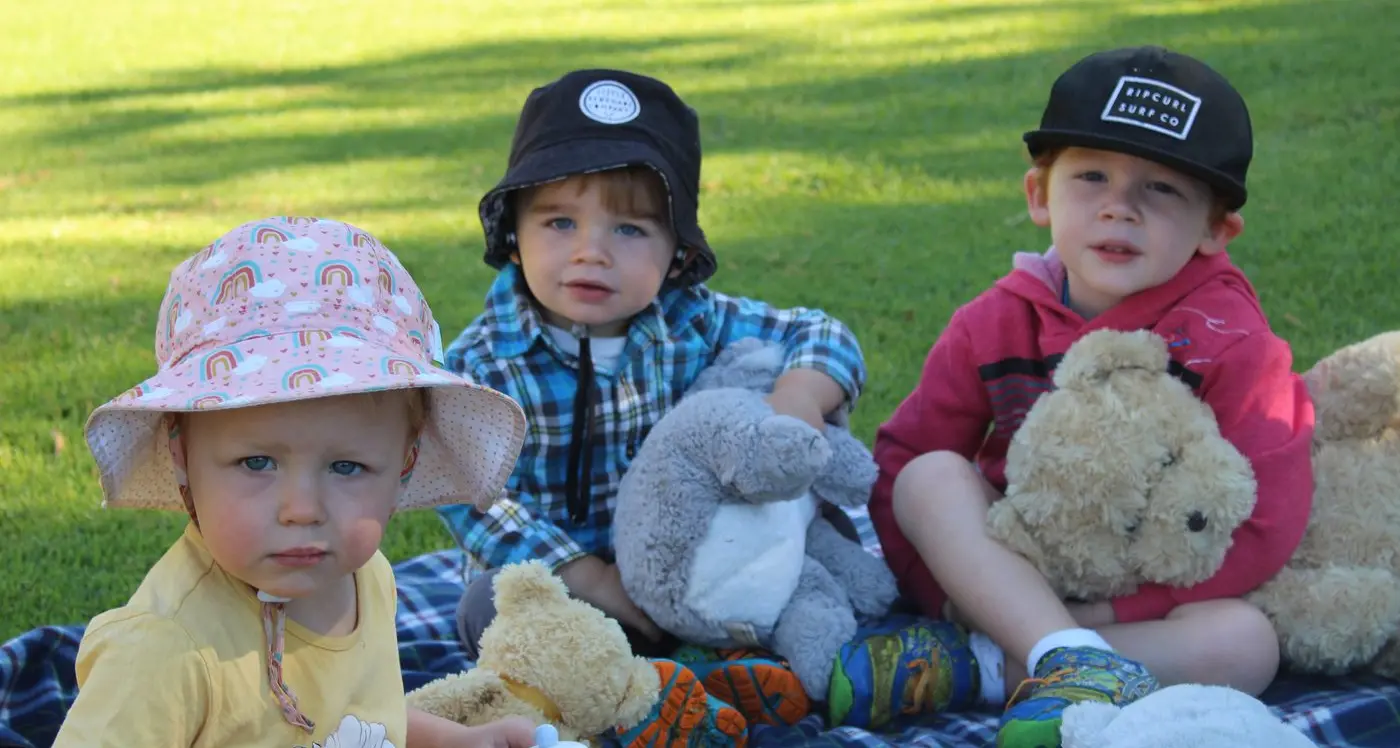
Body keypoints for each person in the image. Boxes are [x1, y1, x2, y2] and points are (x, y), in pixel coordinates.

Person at [436, 68, 943, 741]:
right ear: (514, 233)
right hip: (573, 590)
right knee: (495, 611)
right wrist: (591, 577)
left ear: (677, 253)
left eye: (629, 229)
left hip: (698, 565)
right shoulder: (484, 364)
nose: (591, 252)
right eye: (559, 221)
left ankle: (728, 674)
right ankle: (650, 690)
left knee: (818, 544)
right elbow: (473, 490)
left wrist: (798, 397)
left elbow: (821, 334)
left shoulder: (691, 319)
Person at [867, 46, 1316, 746]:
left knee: (1246, 643)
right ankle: (1046, 649)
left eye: (1160, 189)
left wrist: (1107, 615)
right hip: (1019, 567)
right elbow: (904, 456)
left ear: (1215, 228)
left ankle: (984, 667)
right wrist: (947, 594)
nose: (1118, 208)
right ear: (1039, 195)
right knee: (928, 479)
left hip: (1146, 598)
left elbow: (1268, 522)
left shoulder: (1233, 342)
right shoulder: (996, 320)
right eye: (1092, 177)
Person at [54, 217, 538, 748]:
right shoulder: (164, 650)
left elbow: (353, 722)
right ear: (181, 455)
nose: (302, 509)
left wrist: (460, 740)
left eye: (346, 467)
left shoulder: (366, 577)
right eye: (257, 462)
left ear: (405, 462)